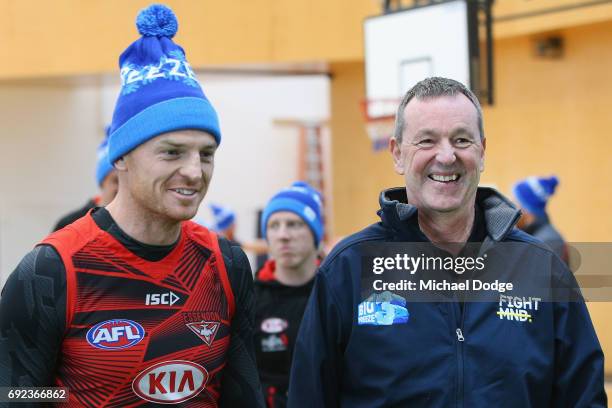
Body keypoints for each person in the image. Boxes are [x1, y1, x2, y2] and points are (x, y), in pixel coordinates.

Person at [0, 5, 264, 407]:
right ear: (120, 158)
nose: (194, 171)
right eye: (172, 152)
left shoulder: (225, 263)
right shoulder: (53, 270)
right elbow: (15, 393)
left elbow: (243, 396)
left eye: (206, 154)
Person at [288, 77, 605, 407]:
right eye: (426, 140)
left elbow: (584, 398)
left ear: (481, 152)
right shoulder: (349, 268)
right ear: (397, 154)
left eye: (461, 139)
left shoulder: (542, 268)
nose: (446, 155)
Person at [254, 182, 323, 408]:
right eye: (274, 226)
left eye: (294, 224)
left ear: (315, 234)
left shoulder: (336, 291)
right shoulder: (250, 296)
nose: (283, 235)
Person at [52, 134, 118, 231]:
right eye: (116, 181)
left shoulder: (135, 225)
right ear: (102, 182)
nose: (123, 188)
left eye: (127, 181)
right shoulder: (69, 224)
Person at [513, 175, 569, 263]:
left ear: (527, 210)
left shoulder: (549, 241)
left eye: (514, 202)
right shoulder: (527, 235)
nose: (509, 208)